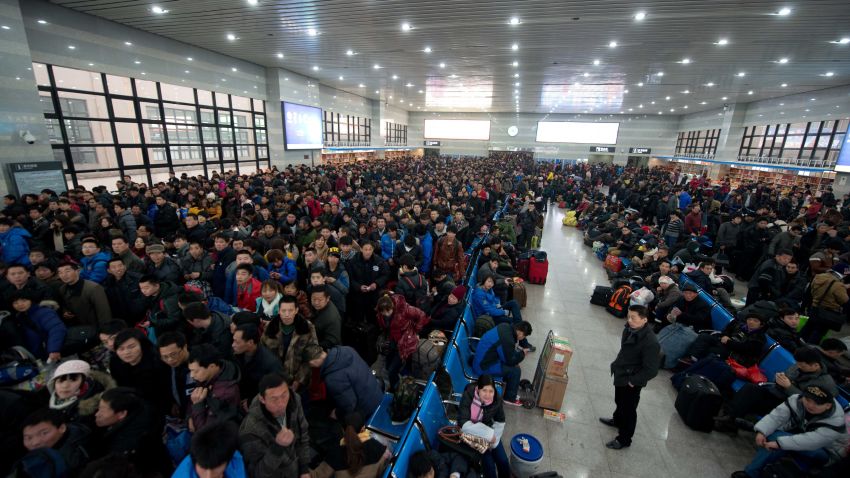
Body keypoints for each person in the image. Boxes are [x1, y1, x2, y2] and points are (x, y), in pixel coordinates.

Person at [731, 386, 850, 478]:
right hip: (802, 434)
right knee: (774, 434)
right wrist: (762, 431)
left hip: (827, 453)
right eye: (807, 399)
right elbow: (777, 416)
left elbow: (811, 441)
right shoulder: (797, 399)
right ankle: (752, 470)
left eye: (817, 403)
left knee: (777, 438)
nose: (810, 405)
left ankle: (751, 473)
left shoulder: (836, 421)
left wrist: (779, 443)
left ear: (828, 406)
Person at [715, 346, 839, 434]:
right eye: (798, 363)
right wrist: (779, 379)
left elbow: (810, 403)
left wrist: (788, 387)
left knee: (749, 397)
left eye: (802, 365)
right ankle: (730, 418)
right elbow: (786, 377)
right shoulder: (799, 366)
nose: (798, 366)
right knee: (750, 389)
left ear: (815, 366)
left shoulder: (826, 384)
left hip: (791, 409)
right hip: (777, 395)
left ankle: (729, 420)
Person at [600, 305, 660, 450]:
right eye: (629, 316)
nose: (629, 320)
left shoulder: (650, 342)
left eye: (633, 318)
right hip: (622, 373)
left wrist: (634, 381)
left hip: (632, 380)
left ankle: (624, 439)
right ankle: (617, 420)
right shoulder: (630, 329)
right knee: (619, 401)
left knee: (629, 410)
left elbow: (652, 370)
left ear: (644, 320)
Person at [239, 372, 311, 478]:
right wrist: (277, 448)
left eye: (284, 395)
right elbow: (257, 473)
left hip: (297, 469)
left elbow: (303, 435)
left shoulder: (294, 400)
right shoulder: (250, 430)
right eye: (274, 399)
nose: (281, 403)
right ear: (262, 399)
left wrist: (304, 469)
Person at [90, 387, 173, 475]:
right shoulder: (138, 408)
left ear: (122, 414)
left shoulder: (128, 445)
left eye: (102, 410)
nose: (97, 414)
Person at [303, 344, 383, 420]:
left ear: (311, 362)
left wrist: (337, 414)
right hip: (376, 393)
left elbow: (349, 405)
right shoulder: (346, 350)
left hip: (369, 410)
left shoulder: (332, 378)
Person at [261, 296, 316, 396]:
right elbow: (263, 353)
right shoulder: (270, 328)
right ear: (279, 311)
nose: (287, 314)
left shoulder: (307, 328)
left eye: (290, 310)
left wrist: (298, 381)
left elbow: (310, 356)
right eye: (283, 310)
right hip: (274, 379)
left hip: (298, 381)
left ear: (296, 310)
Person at [457, 375, 510, 478]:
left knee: (503, 460)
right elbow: (463, 423)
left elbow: (500, 420)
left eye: (491, 391)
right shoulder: (469, 394)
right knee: (489, 464)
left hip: (489, 430)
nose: (488, 395)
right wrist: (488, 435)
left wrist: (493, 441)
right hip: (471, 434)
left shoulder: (496, 399)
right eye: (484, 390)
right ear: (478, 389)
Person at [375, 293, 430, 390]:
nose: (386, 314)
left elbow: (421, 315)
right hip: (393, 340)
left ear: (392, 306)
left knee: (392, 370)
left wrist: (416, 330)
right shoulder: (380, 315)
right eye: (383, 312)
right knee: (388, 365)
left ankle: (396, 389)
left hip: (405, 341)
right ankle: (400, 377)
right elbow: (385, 327)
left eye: (388, 311)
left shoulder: (404, 309)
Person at [471, 321, 533, 406]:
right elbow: (510, 361)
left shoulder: (505, 326)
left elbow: (507, 352)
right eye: (525, 336)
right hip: (483, 367)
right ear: (521, 333)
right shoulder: (507, 339)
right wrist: (522, 354)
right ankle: (509, 398)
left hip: (483, 359)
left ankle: (509, 382)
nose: (523, 338)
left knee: (513, 365)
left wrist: (517, 356)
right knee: (515, 370)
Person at [311, 412, 390, 477]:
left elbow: (316, 476)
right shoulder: (379, 448)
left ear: (343, 430)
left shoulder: (335, 454)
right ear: (363, 429)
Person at [18, 408, 90, 476]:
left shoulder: (77, 455)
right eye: (29, 438)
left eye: (44, 433)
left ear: (62, 428)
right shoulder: (27, 458)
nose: (35, 442)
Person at [187, 344, 242, 431]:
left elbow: (206, 433)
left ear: (212, 366)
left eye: (196, 371)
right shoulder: (206, 376)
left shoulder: (225, 394)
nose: (192, 375)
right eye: (190, 370)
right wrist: (190, 416)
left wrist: (197, 405)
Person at [1, 289, 66, 362]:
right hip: (40, 359)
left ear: (31, 300)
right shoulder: (19, 318)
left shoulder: (44, 312)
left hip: (54, 355)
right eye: (15, 303)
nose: (20, 304)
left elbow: (57, 328)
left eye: (24, 300)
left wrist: (54, 349)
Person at [47, 359, 116, 426]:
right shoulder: (53, 403)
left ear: (84, 382)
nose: (65, 386)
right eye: (60, 381)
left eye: (73, 380)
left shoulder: (95, 406)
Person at [173, 420, 247, 478]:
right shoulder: (182, 474)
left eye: (215, 467)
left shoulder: (236, 460)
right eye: (204, 467)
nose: (209, 476)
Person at [57, 261, 112, 330]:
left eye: (67, 271)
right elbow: (64, 304)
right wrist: (65, 311)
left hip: (93, 327)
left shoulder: (93, 288)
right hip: (75, 327)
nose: (64, 275)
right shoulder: (62, 289)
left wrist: (105, 331)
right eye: (60, 273)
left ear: (77, 271)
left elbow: (104, 313)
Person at [802, 267, 849, 344]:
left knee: (807, 328)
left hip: (815, 307)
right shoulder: (838, 285)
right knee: (818, 333)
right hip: (827, 312)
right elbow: (845, 301)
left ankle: (797, 345)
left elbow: (809, 292)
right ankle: (809, 349)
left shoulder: (818, 277)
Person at [157, 331, 197, 419]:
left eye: (173, 354)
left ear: (185, 347)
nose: (170, 360)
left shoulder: (200, 363)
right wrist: (173, 402)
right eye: (165, 357)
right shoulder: (165, 366)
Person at [310, 285, 343, 350]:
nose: (316, 302)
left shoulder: (332, 318)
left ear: (327, 298)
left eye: (320, 300)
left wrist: (312, 348)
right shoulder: (321, 306)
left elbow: (331, 341)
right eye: (314, 299)